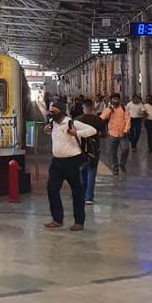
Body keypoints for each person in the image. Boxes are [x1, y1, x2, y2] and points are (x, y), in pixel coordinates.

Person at [43, 97, 97, 231]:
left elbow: (92, 130)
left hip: (73, 162)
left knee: (77, 192)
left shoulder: (72, 123)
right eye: (50, 112)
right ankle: (57, 219)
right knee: (52, 189)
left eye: (54, 112)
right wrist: (47, 129)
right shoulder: (52, 123)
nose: (51, 114)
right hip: (57, 162)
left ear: (61, 112)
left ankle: (79, 222)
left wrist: (76, 133)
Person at [80, 99, 105, 205]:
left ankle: (81, 194)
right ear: (92, 107)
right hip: (94, 149)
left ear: (83, 107)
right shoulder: (98, 120)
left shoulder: (78, 120)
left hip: (80, 148)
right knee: (92, 171)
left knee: (81, 171)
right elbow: (104, 134)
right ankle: (89, 197)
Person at [101, 94, 131, 175]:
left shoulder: (124, 108)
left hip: (123, 134)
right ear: (111, 100)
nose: (115, 101)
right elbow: (102, 117)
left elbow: (128, 120)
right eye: (114, 99)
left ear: (119, 100)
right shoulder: (108, 109)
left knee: (125, 149)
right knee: (112, 152)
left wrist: (126, 130)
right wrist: (109, 110)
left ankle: (122, 163)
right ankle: (115, 168)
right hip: (112, 134)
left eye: (117, 99)